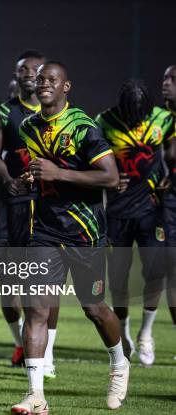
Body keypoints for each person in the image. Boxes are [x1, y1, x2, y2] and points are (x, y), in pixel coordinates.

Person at [11, 61, 129, 414]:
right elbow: (37, 172)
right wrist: (24, 182)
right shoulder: (29, 127)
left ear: (66, 88)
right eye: (41, 78)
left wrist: (57, 173)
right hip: (44, 231)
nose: (44, 83)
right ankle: (36, 396)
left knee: (94, 308)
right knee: (35, 311)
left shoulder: (83, 128)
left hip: (84, 233)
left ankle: (120, 365)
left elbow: (109, 178)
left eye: (53, 80)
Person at [0, 50, 60, 377]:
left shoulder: (57, 115)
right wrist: (6, 180)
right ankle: (23, 342)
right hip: (11, 206)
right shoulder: (4, 112)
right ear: (16, 76)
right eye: (24, 70)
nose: (30, 74)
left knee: (46, 283)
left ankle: (47, 356)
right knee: (7, 282)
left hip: (46, 207)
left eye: (36, 70)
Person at [96, 79, 173, 366]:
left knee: (156, 274)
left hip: (150, 209)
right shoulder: (104, 122)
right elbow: (92, 160)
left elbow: (172, 150)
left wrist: (169, 175)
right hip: (116, 212)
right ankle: (125, 335)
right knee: (118, 280)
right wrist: (109, 175)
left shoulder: (163, 119)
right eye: (130, 114)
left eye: (138, 115)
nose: (134, 121)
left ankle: (146, 333)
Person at [161, 65, 176, 352]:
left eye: (173, 79)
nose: (167, 83)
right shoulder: (157, 119)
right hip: (167, 204)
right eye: (166, 78)